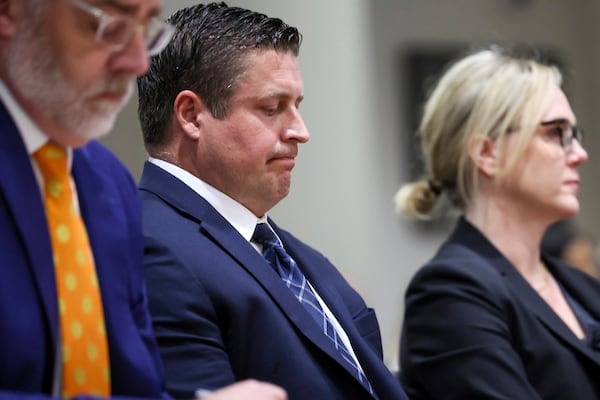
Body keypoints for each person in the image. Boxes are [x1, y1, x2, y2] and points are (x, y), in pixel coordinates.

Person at [0, 0, 286, 399]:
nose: (137, 62)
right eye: (110, 26)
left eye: (146, 30)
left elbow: (139, 387)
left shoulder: (108, 183)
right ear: (10, 12)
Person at [137, 3, 408, 400]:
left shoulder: (299, 257)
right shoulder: (152, 247)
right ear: (192, 116)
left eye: (297, 106)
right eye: (271, 108)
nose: (301, 132)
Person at [395, 46, 600, 399]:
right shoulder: (449, 292)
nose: (579, 155)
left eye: (575, 136)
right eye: (555, 133)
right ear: (487, 154)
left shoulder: (581, 288)